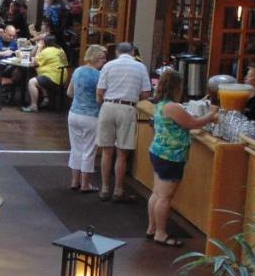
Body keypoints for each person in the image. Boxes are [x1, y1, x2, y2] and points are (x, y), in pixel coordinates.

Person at [148, 70, 219, 247]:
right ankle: (161, 233)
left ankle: (152, 228)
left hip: (158, 151)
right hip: (171, 156)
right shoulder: (173, 107)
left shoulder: (160, 104)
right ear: (176, 87)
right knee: (165, 197)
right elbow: (193, 124)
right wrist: (211, 113)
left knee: (157, 193)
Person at [95, 42, 152, 202]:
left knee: (107, 151)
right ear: (133, 52)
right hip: (127, 108)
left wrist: (103, 101)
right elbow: (146, 93)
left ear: (117, 52)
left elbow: (100, 91)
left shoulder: (108, 66)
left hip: (108, 106)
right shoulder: (140, 67)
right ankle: (118, 189)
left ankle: (105, 188)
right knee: (122, 153)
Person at [66, 45, 108, 192]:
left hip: (73, 114)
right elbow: (99, 98)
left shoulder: (78, 71)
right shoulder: (99, 76)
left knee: (76, 149)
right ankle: (85, 184)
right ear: (96, 58)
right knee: (89, 151)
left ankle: (74, 181)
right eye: (103, 57)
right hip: (91, 116)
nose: (105, 60)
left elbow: (69, 92)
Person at [22, 35, 70, 112]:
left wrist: (39, 47)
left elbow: (35, 62)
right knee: (37, 76)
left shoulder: (47, 51)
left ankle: (33, 105)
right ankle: (46, 98)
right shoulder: (60, 49)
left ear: (45, 42)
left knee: (32, 82)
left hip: (53, 78)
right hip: (62, 77)